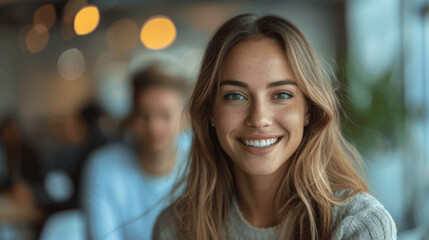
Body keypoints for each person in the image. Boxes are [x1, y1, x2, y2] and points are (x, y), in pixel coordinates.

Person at [152, 14, 397, 240]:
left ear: (308, 110)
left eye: (281, 95)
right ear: (211, 112)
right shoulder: (175, 228)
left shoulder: (360, 225)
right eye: (235, 96)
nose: (259, 119)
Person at [82, 64, 191, 240]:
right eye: (144, 115)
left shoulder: (200, 168)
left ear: (185, 119)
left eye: (165, 115)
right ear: (132, 117)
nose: (154, 127)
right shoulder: (103, 167)